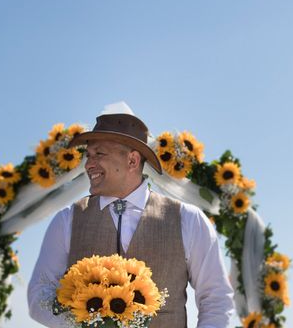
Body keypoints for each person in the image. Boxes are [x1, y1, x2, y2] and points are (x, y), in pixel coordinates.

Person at [27, 110, 235, 328]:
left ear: (133, 160)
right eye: (89, 155)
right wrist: (81, 324)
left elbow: (216, 298)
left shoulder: (189, 219)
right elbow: (39, 296)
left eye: (99, 154)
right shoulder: (67, 220)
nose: (89, 164)